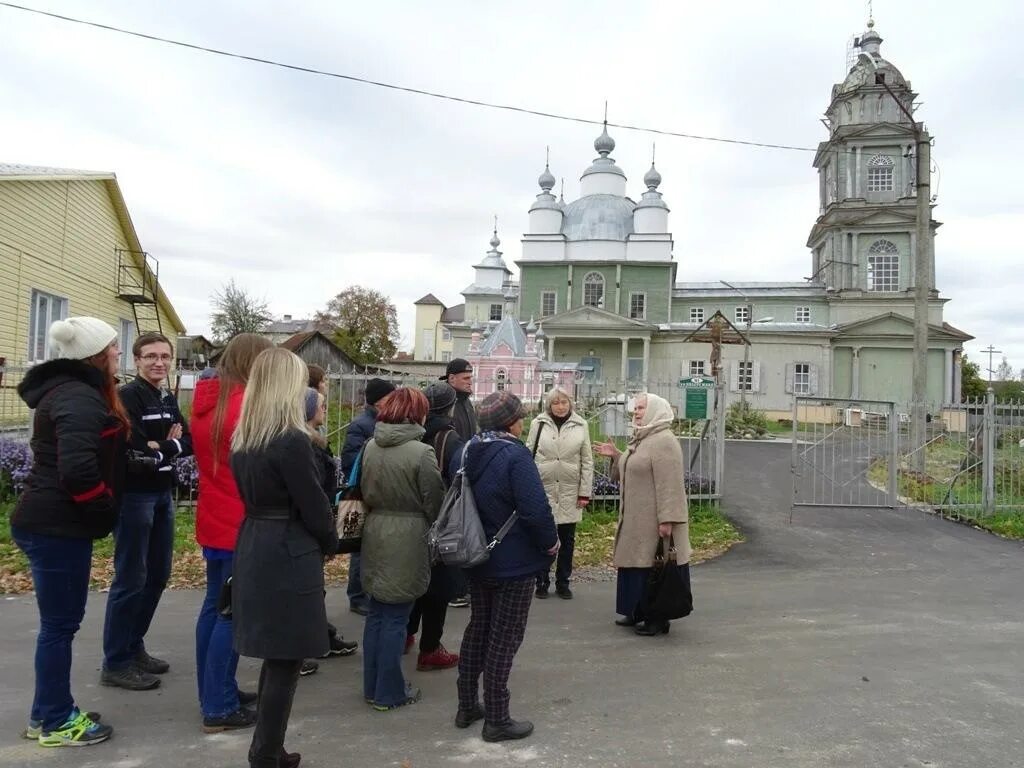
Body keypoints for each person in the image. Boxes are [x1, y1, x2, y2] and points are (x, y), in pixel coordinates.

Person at [11, 317, 127, 746]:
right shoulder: (79, 397)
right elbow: (78, 471)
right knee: (60, 626)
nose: (118, 354)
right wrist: (103, 513)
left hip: (49, 522)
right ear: (96, 354)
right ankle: (57, 721)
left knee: (58, 625)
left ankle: (48, 713)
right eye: (114, 347)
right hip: (57, 526)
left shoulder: (68, 391)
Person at [230, 348, 337, 768]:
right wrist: (329, 541)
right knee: (286, 658)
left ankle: (268, 749)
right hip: (288, 546)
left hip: (258, 541)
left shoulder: (246, 437)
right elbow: (312, 504)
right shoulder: (290, 440)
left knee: (278, 657)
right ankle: (265, 754)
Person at [456, 391, 558, 743]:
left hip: (475, 553)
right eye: (520, 415)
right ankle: (497, 717)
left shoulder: (467, 450)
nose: (523, 420)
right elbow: (534, 509)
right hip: (513, 562)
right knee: (505, 637)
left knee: (478, 630)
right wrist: (551, 542)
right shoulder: (515, 455)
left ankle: (467, 704)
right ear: (511, 421)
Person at [102, 332, 193, 691]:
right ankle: (115, 660)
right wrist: (164, 446)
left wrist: (164, 445)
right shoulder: (127, 397)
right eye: (151, 356)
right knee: (130, 577)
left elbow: (187, 443)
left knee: (158, 574)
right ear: (137, 361)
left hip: (162, 494)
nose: (159, 362)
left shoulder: (167, 398)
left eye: (165, 356)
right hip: (135, 498)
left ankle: (133, 644)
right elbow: (134, 448)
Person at [191, 332, 271, 732]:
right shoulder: (244, 407)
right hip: (239, 520)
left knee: (214, 607)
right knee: (232, 614)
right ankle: (219, 706)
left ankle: (213, 689)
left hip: (214, 516)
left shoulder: (209, 402)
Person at [359, 387, 445, 710]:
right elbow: (434, 502)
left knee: (377, 615)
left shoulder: (370, 446)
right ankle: (389, 692)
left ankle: (373, 686)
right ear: (416, 413)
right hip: (408, 535)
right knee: (396, 616)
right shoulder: (421, 453)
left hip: (376, 530)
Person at [594, 393, 691, 636]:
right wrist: (617, 456)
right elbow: (630, 472)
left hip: (655, 521)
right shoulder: (642, 438)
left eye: (641, 408)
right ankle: (637, 610)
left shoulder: (664, 441)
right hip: (636, 520)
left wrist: (668, 519)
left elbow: (671, 485)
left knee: (654, 567)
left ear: (655, 410)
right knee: (635, 565)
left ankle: (657, 618)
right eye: (635, 408)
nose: (636, 412)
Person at [404, 383, 464, 671]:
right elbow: (458, 482)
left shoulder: (408, 432)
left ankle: (405, 633)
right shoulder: (449, 438)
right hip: (439, 519)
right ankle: (430, 648)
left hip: (406, 518)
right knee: (438, 587)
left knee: (413, 580)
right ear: (449, 407)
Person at [304, 388, 358, 664]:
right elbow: (310, 496)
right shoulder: (305, 446)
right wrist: (327, 538)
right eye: (321, 405)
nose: (325, 409)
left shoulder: (315, 441)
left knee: (314, 589)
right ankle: (303, 648)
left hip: (318, 524)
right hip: (310, 529)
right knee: (306, 592)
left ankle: (319, 638)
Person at [525, 386, 594, 600]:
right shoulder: (539, 423)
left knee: (567, 539)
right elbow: (529, 453)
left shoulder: (581, 425)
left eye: (564, 402)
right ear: (549, 405)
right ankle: (542, 581)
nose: (560, 406)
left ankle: (563, 582)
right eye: (556, 402)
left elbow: (587, 461)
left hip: (569, 490)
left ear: (570, 403)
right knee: (542, 537)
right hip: (543, 488)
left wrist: (584, 492)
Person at [340, 377, 395, 616]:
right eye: (389, 398)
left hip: (377, 493)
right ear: (379, 401)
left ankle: (369, 591)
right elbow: (350, 461)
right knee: (359, 547)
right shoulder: (361, 425)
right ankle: (357, 595)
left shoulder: (384, 422)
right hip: (361, 495)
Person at [440, 358, 476, 608]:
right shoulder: (446, 401)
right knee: (451, 531)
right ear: (452, 378)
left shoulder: (466, 403)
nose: (470, 382)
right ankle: (453, 589)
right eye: (466, 378)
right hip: (450, 475)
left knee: (464, 530)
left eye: (471, 378)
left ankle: (462, 585)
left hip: (465, 471)